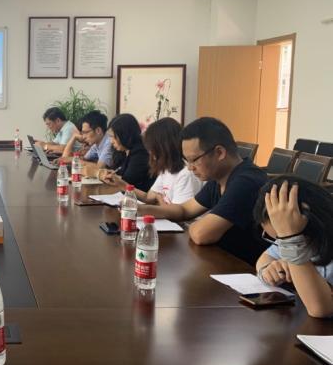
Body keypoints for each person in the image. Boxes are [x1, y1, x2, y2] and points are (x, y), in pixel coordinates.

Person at [138, 117, 268, 265]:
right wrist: (141, 210)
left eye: (194, 160)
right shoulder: (218, 177)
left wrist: (192, 225)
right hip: (220, 261)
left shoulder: (246, 182)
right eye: (187, 161)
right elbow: (185, 209)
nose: (190, 167)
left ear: (219, 153)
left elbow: (201, 234)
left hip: (244, 269)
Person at [254, 177, 333, 318]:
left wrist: (290, 241)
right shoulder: (293, 236)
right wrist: (268, 269)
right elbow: (266, 257)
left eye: (282, 238)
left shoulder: (293, 237)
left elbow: (320, 309)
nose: (280, 245)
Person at [103, 118, 202, 204]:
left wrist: (146, 207)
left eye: (153, 149)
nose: (151, 154)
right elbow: (148, 197)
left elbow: (179, 214)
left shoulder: (186, 174)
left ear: (164, 148)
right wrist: (121, 184)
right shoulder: (166, 169)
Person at [98, 113, 152, 192]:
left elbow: (128, 181)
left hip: (138, 197)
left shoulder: (141, 152)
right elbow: (119, 174)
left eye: (113, 137)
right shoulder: (124, 151)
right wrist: (112, 174)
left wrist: (111, 177)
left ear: (124, 135)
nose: (111, 141)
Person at [61, 111, 114, 175]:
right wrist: (73, 137)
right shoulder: (96, 143)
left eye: (85, 132)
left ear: (98, 131)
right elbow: (84, 159)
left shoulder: (109, 142)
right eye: (82, 133)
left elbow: (100, 168)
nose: (83, 137)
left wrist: (73, 160)